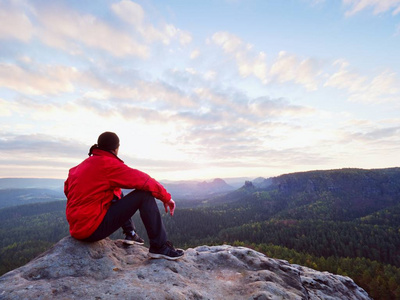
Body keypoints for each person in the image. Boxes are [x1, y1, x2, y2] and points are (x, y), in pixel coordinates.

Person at [64, 131, 184, 260]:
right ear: (116, 149)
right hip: (92, 229)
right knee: (144, 195)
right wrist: (167, 198)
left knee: (116, 189)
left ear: (99, 146)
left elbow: (68, 190)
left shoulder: (78, 168)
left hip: (76, 228)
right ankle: (159, 247)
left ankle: (130, 233)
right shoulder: (108, 165)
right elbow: (144, 181)